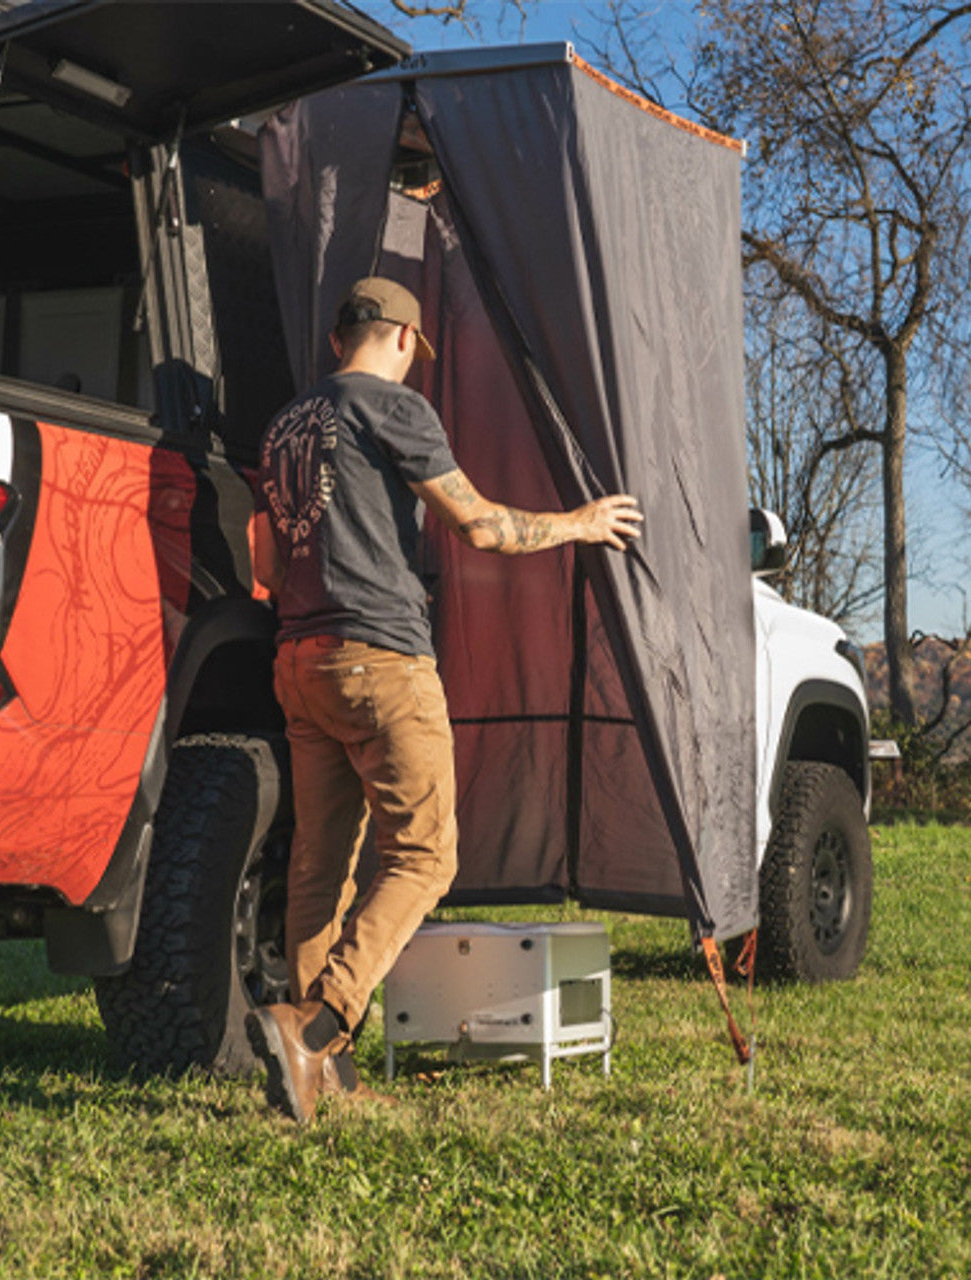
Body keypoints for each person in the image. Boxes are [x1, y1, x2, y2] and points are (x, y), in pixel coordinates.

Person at [245, 276, 642, 1121]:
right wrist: (579, 523)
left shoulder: (284, 427)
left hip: (297, 658)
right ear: (399, 338)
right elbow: (480, 526)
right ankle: (318, 1023)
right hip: (380, 657)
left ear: (337, 338)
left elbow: (269, 568)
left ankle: (324, 1074)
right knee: (427, 855)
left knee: (322, 868)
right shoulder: (392, 409)